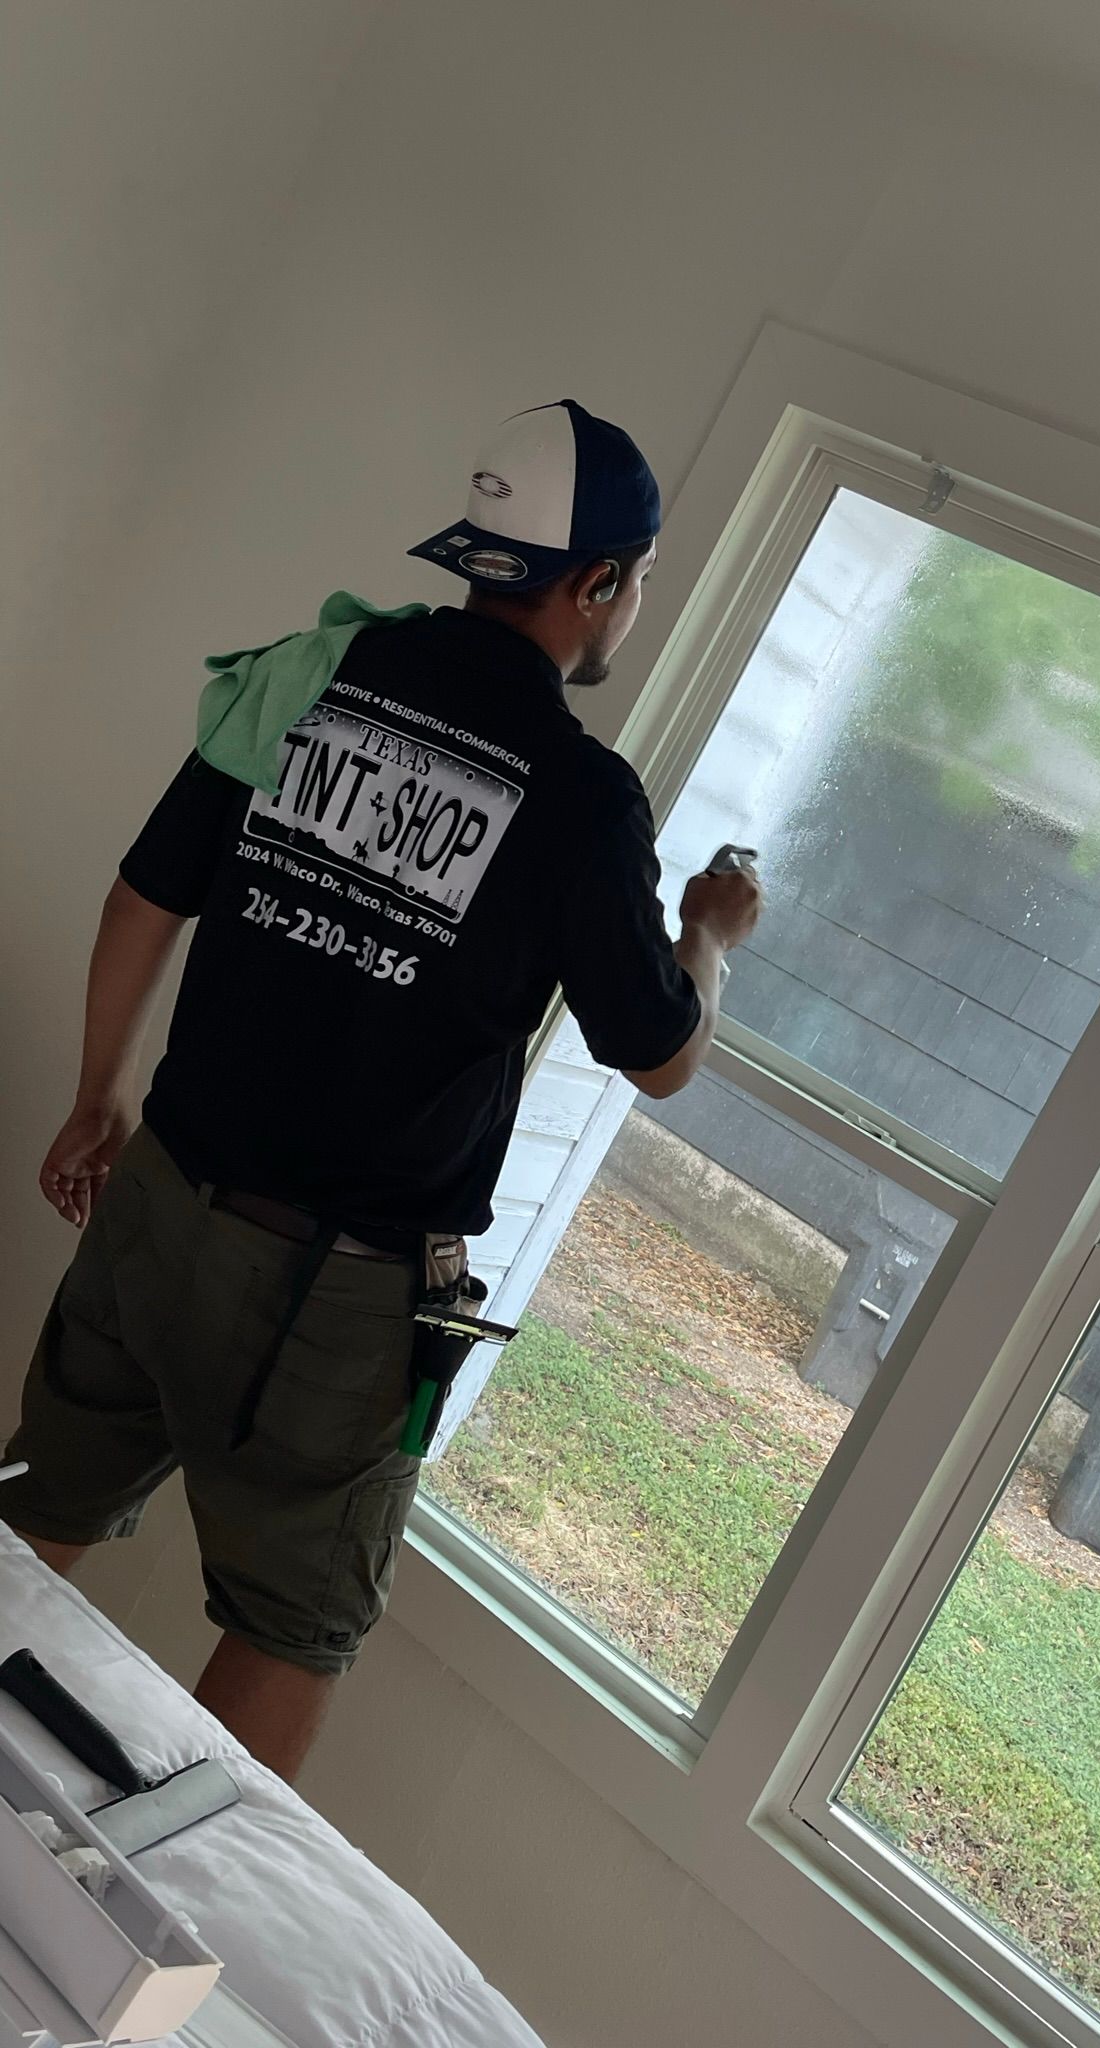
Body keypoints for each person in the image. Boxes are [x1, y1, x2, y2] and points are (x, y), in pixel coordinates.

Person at [6, 400, 761, 1779]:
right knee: (295, 1624)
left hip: (162, 1193)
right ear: (596, 584)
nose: (633, 607)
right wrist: (708, 936)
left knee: (36, 1508)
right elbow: (657, 1054)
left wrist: (94, 1100)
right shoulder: (583, 801)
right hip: (337, 1294)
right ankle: (158, 1942)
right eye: (638, 582)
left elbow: (142, 896)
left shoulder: (317, 674)